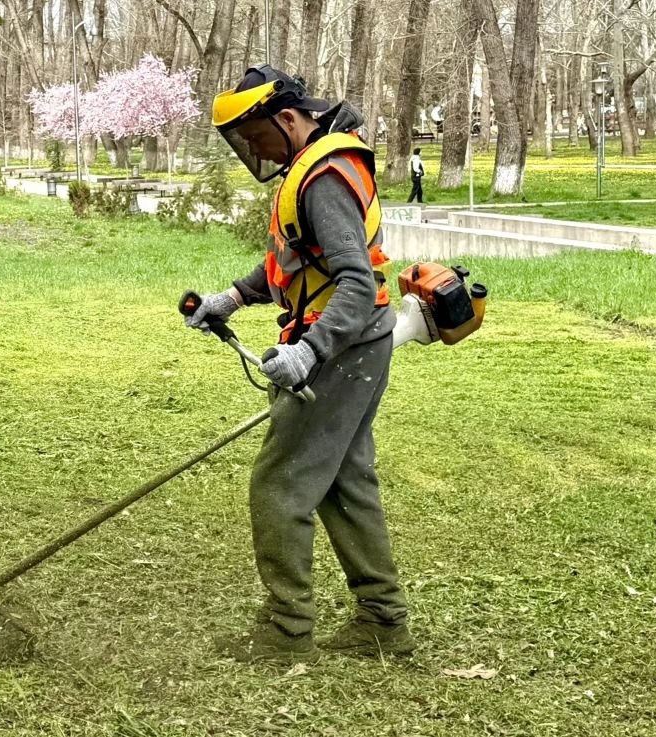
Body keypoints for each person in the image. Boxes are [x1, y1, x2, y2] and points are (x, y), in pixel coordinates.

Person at [185, 64, 413, 663]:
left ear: (287, 119)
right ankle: (383, 622)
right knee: (344, 483)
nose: (252, 151)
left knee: (281, 485)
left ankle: (286, 634)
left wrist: (310, 350)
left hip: (344, 345)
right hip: (360, 343)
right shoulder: (308, 170)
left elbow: (356, 283)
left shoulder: (323, 180)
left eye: (255, 138)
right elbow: (293, 258)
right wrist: (230, 299)